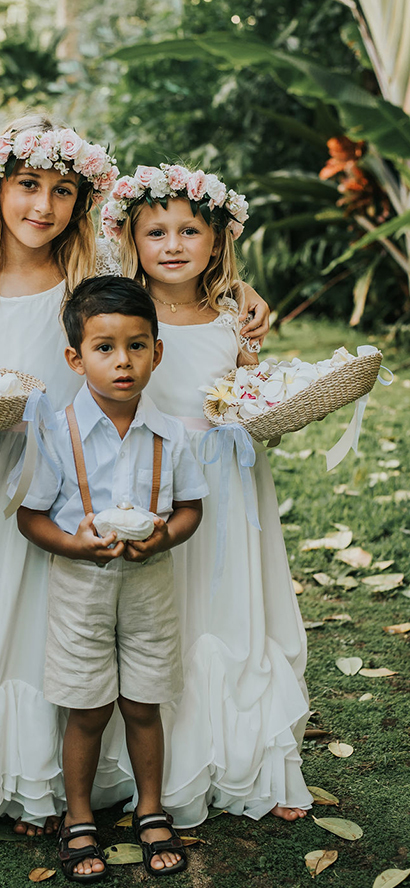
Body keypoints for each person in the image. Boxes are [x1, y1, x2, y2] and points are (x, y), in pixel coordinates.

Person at [0, 112, 270, 839]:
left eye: (63, 191)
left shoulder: (89, 265)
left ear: (84, 200)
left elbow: (168, 274)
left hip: (80, 473)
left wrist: (240, 290)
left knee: (64, 625)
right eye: (27, 186)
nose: (43, 207)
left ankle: (59, 782)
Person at [96, 164, 313, 825]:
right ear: (130, 238)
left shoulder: (231, 319)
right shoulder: (122, 312)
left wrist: (251, 356)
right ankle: (141, 762)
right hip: (149, 483)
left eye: (190, 230)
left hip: (224, 484)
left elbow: (248, 397)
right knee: (154, 621)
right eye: (155, 230)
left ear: (217, 242)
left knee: (226, 613)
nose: (171, 244)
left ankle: (241, 754)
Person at [14, 275, 208, 880]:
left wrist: (163, 537)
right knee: (88, 708)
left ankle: (150, 809)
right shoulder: (54, 432)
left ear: (157, 351)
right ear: (76, 357)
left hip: (151, 584)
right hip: (80, 585)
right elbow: (29, 516)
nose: (122, 361)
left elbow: (191, 510)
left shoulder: (173, 434)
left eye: (137, 346)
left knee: (143, 702)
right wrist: (76, 545)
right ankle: (78, 819)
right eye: (104, 348)